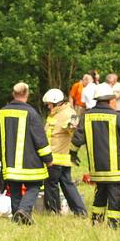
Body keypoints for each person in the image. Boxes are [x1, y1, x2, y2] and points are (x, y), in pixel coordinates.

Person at [0, 82, 53, 225]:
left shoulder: (2, 113)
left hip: (10, 164)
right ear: (27, 94)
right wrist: (48, 159)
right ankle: (24, 210)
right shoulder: (32, 113)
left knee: (15, 190)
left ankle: (19, 220)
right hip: (31, 164)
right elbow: (40, 139)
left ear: (13, 94)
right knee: (34, 186)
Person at [71, 82, 120, 229]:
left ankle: (96, 221)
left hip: (97, 167)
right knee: (114, 196)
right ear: (110, 99)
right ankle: (113, 225)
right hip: (115, 167)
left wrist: (73, 154)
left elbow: (77, 139)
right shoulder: (117, 117)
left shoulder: (86, 116)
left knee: (100, 193)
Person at [42, 88, 87, 216]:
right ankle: (80, 211)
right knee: (67, 184)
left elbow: (74, 131)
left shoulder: (68, 113)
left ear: (56, 102)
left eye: (49, 104)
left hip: (57, 157)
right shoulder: (55, 114)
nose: (48, 106)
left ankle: (53, 211)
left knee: (51, 184)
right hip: (54, 156)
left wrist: (71, 127)